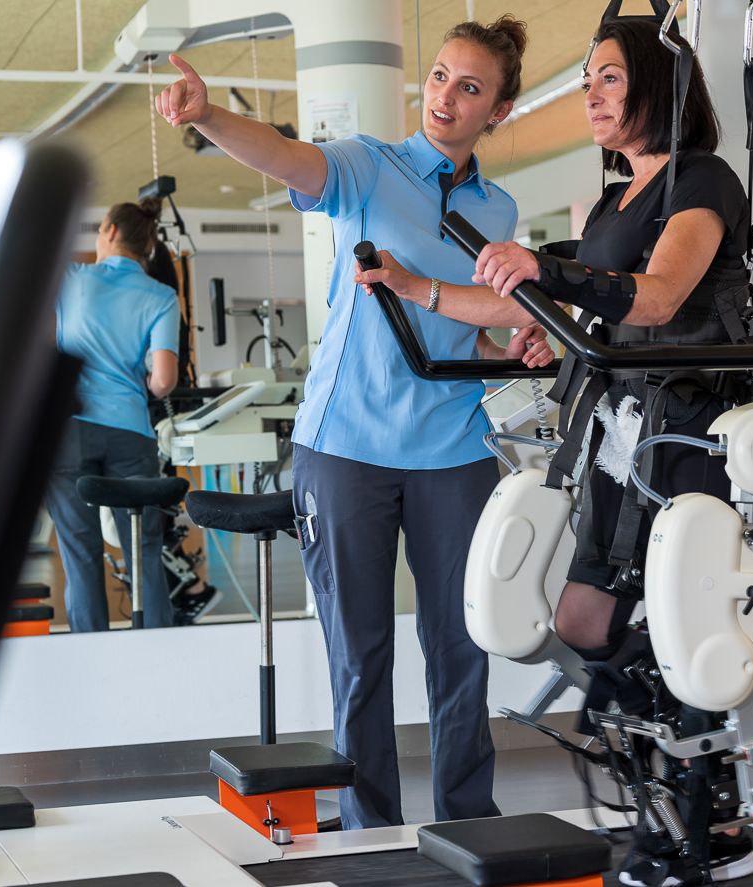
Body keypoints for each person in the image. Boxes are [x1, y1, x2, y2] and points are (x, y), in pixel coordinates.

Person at [364, 17, 753, 887]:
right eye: (587, 79)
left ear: (661, 87)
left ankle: (706, 818)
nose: (591, 94)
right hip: (622, 430)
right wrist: (416, 287)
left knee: (681, 620)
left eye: (609, 78)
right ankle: (675, 791)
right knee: (583, 618)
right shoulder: (620, 197)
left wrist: (555, 279)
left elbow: (655, 301)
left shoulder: (704, 181)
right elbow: (530, 307)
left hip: (687, 428)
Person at [156, 17, 554, 830]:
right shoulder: (370, 167)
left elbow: (463, 332)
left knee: (461, 649)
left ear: (498, 112)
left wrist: (518, 345)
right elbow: (285, 155)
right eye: (441, 76)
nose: (446, 97)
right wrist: (207, 117)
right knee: (362, 656)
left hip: (452, 449)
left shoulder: (499, 204)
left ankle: (468, 820)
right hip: (347, 448)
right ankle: (371, 830)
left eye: (470, 88)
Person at [45, 199, 180, 632]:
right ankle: (160, 650)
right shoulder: (162, 296)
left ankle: (92, 650)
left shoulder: (72, 280)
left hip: (69, 432)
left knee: (79, 552)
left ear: (109, 232)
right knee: (143, 548)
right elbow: (163, 381)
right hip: (129, 431)